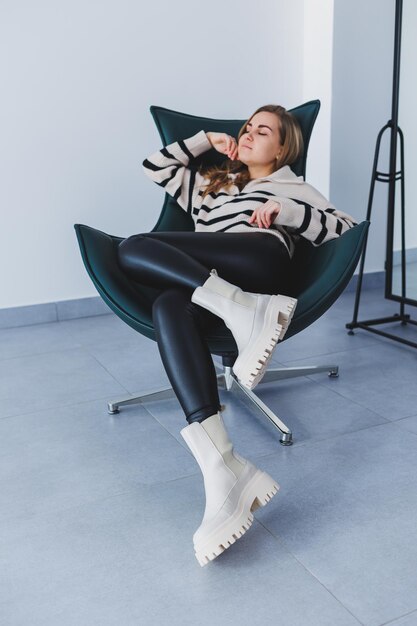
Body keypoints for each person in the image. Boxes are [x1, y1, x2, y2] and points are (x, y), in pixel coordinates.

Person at [116, 104, 358, 567]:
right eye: (246, 128)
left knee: (134, 247)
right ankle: (222, 465)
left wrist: (285, 211)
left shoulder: (293, 186)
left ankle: (248, 308)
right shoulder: (214, 184)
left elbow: (344, 228)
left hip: (258, 260)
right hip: (213, 289)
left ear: (283, 147)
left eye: (261, 131)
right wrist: (209, 138)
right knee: (168, 303)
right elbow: (156, 166)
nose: (247, 134)